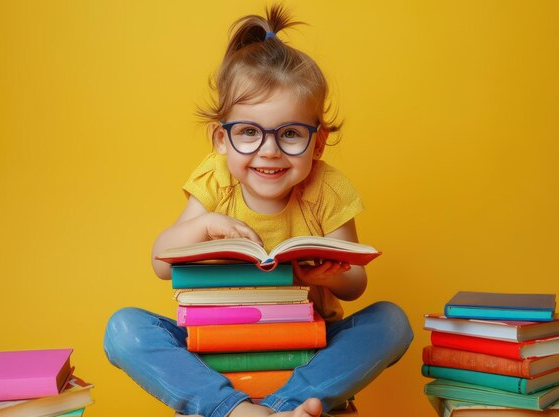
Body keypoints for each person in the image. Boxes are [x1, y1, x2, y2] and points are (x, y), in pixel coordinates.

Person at [104, 5, 413, 417]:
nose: (269, 150)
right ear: (221, 139)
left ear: (317, 144)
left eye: (290, 134)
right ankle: (230, 407)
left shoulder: (328, 189)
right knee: (124, 329)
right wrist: (204, 225)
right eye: (248, 132)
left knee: (391, 322)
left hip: (305, 351)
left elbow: (356, 284)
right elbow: (161, 262)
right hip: (215, 347)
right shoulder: (215, 182)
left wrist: (323, 273)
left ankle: (283, 406)